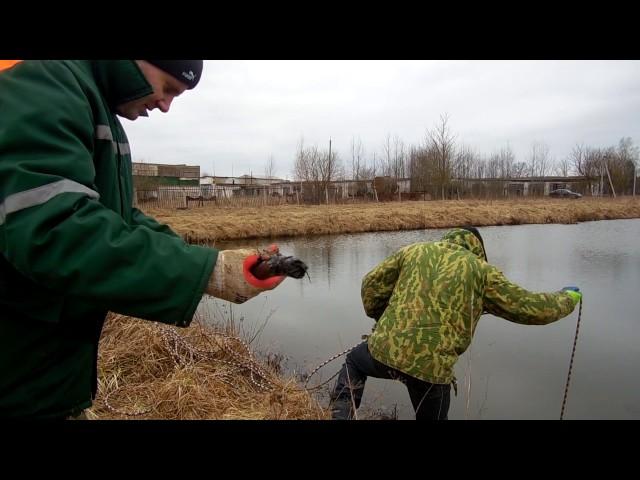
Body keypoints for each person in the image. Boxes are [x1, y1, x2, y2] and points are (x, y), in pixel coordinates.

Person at [0, 60, 285, 419]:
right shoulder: (44, 80)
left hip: (44, 382)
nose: (165, 106)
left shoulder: (95, 104)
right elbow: (58, 229)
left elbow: (121, 218)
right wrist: (206, 271)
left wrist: (215, 265)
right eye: (168, 89)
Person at [329, 227, 582, 420]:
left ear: (450, 237)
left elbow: (370, 285)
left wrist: (381, 319)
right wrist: (567, 299)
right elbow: (533, 309)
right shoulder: (482, 271)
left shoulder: (414, 251)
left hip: (384, 351)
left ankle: (341, 415)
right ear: (478, 249)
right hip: (433, 371)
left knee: (355, 362)